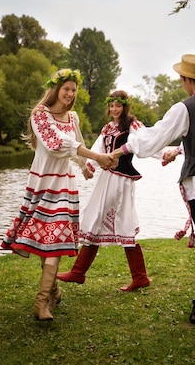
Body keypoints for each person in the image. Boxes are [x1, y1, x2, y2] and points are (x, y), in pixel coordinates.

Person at [110, 54, 195, 326]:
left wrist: (126, 146)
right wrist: (179, 150)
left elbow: (153, 138)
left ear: (186, 80)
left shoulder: (184, 108)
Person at [1, 68, 113, 322]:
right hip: (41, 185)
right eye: (67, 89)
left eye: (74, 90)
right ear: (56, 90)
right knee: (46, 243)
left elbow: (76, 146)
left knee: (55, 243)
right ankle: (54, 292)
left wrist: (86, 167)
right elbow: (56, 144)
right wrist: (95, 156)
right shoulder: (40, 115)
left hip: (64, 186)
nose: (71, 94)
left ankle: (41, 304)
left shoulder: (72, 117)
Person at [57, 90, 161, 291]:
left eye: (118, 106)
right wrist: (89, 165)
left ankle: (137, 277)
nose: (114, 109)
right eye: (111, 106)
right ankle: (80, 272)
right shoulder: (107, 128)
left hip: (121, 180)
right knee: (96, 217)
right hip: (107, 178)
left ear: (125, 106)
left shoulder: (132, 125)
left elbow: (145, 142)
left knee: (120, 221)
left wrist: (165, 153)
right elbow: (99, 150)